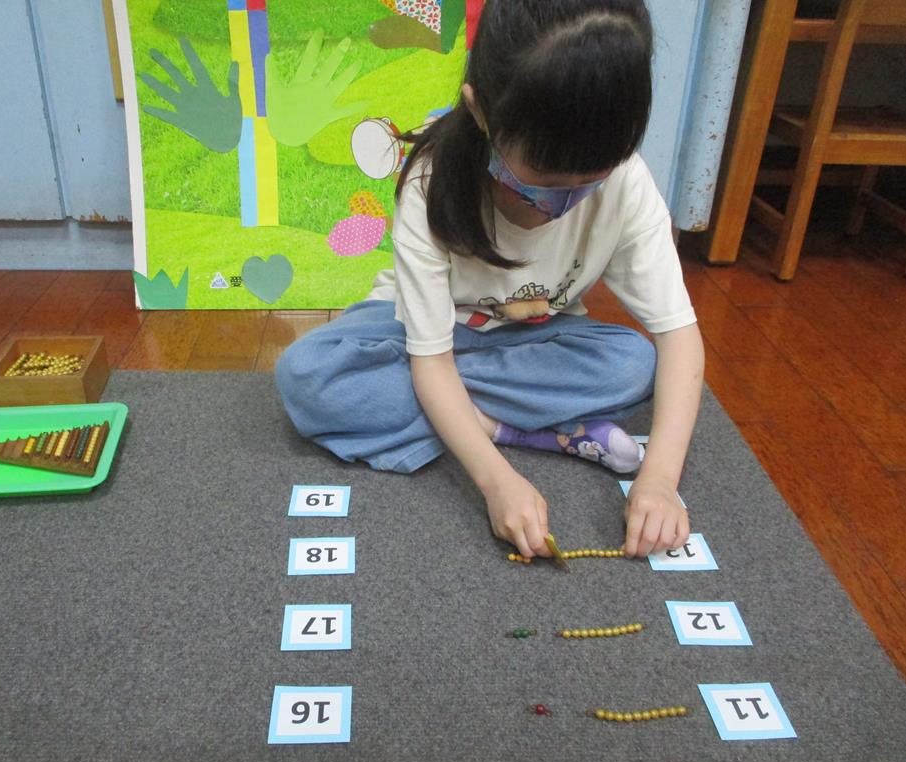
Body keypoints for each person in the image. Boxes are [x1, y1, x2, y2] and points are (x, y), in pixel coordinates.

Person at [275, 0, 704, 560]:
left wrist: (661, 479)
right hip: (419, 337)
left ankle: (468, 416)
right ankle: (516, 429)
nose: (561, 204)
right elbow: (431, 360)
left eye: (590, 181)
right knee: (307, 377)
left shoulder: (628, 182)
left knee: (634, 363)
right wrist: (496, 478)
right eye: (543, 179)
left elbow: (678, 334)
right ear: (480, 111)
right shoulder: (430, 182)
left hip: (533, 340)